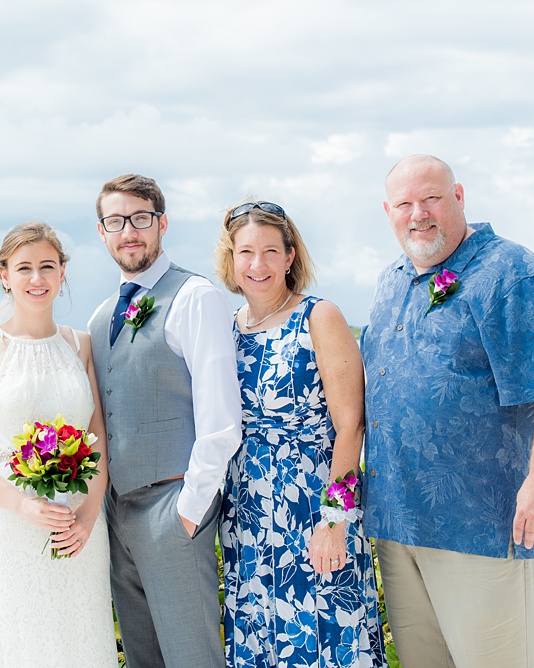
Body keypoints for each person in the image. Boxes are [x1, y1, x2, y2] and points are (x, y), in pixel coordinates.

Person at [361, 155, 534, 667]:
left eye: (432, 198)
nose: (419, 213)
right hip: (399, 522)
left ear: (458, 197)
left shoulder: (515, 274)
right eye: (405, 203)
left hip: (483, 523)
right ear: (388, 211)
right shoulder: (390, 281)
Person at [214, 200, 386, 668]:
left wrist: (334, 521)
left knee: (328, 634)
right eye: (246, 252)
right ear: (231, 259)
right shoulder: (225, 329)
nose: (258, 264)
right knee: (262, 637)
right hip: (248, 517)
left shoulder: (319, 316)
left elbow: (352, 423)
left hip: (313, 510)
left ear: (290, 256)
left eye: (271, 251)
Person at [0, 221, 118, 667]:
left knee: (79, 638)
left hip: (78, 527)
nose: (36, 279)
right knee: (17, 643)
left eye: (47, 266)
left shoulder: (80, 345)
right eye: (24, 268)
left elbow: (96, 442)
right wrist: (22, 506)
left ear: (62, 272)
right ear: (4, 275)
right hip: (8, 525)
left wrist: (87, 517)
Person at [88, 174, 242, 668]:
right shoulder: (99, 317)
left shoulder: (196, 297)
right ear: (102, 232)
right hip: (117, 513)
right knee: (142, 657)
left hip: (172, 508)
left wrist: (190, 511)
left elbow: (220, 418)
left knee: (192, 656)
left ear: (162, 223)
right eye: (116, 221)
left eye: (140, 218)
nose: (128, 231)